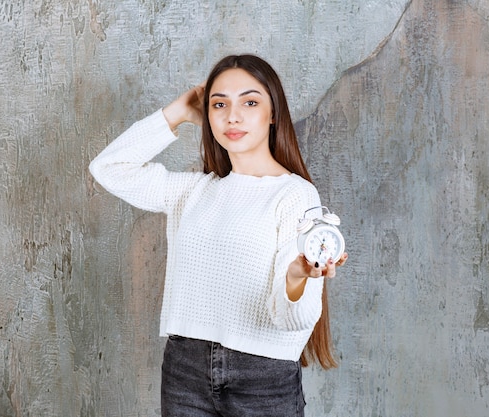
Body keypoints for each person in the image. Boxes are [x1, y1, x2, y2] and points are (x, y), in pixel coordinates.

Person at [89, 54, 348, 416]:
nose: (233, 116)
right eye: (219, 104)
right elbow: (108, 168)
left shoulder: (295, 195)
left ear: (274, 113)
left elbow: (292, 318)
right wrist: (177, 112)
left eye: (250, 102)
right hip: (185, 369)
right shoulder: (192, 191)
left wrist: (294, 277)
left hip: (263, 376)